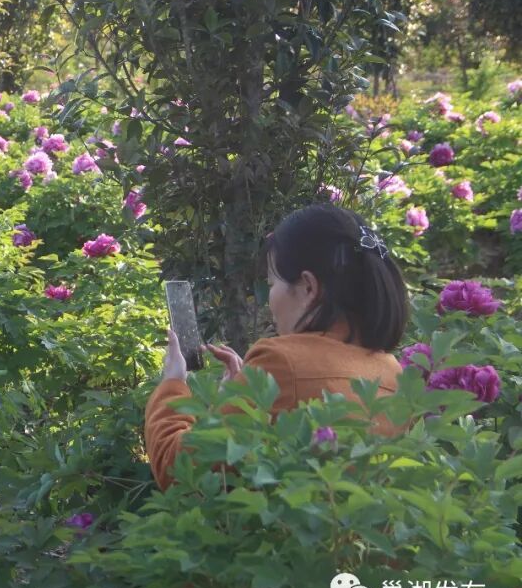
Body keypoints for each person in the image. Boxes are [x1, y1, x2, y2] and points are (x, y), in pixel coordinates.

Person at [145, 204, 411, 490]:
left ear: (308, 287)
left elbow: (180, 469)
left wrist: (173, 383)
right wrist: (236, 398)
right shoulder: (394, 373)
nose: (268, 300)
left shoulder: (282, 361)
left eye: (272, 283)